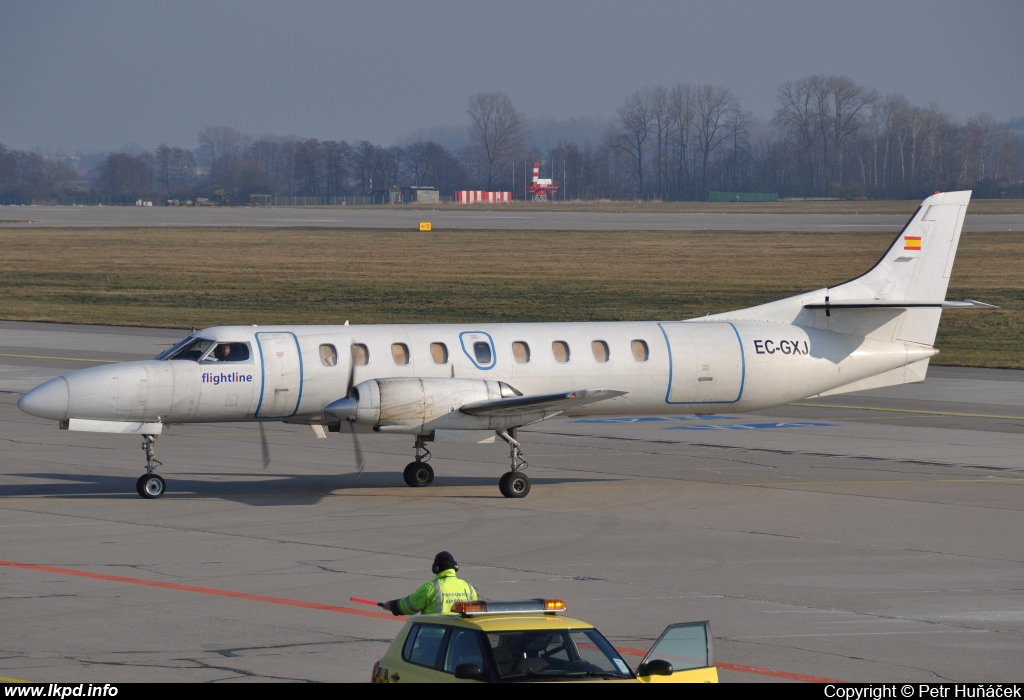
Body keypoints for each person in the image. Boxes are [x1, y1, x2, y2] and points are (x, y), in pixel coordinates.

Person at [379, 551, 478, 616]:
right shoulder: (468, 588)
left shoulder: (431, 588)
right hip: (458, 637)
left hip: (433, 637)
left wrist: (392, 605)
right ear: (455, 567)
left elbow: (410, 606)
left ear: (436, 568)